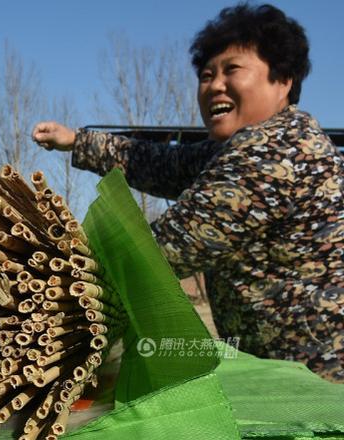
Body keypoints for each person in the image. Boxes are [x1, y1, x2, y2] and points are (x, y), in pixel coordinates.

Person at [32, 3, 344, 383]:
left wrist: (44, 272)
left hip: (320, 382)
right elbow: (159, 162)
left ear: (283, 81)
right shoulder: (240, 147)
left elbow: (161, 250)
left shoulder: (275, 151)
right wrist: (77, 141)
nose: (213, 85)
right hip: (284, 370)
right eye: (206, 74)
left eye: (232, 70)